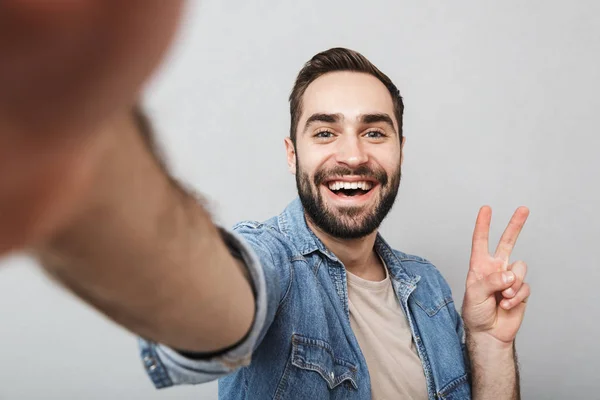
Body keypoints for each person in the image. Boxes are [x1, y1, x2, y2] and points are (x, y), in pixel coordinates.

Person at [0, 2, 530, 399]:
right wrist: (73, 159)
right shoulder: (272, 261)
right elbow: (221, 296)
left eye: (374, 132)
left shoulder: (430, 288)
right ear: (292, 154)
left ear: (400, 150)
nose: (352, 155)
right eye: (324, 133)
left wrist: (489, 340)